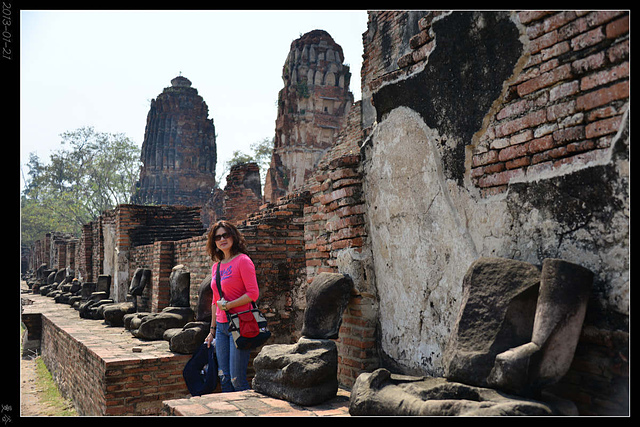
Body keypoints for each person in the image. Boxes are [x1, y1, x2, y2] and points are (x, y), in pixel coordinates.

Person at [204, 220, 259, 392]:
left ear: (233, 237)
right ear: (214, 242)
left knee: (237, 379)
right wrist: (212, 330)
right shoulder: (216, 267)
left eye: (225, 235)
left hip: (240, 323)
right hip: (221, 327)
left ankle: (246, 406)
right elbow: (215, 301)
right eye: (218, 237)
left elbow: (253, 294)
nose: (222, 239)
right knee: (224, 377)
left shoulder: (243, 260)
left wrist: (229, 305)